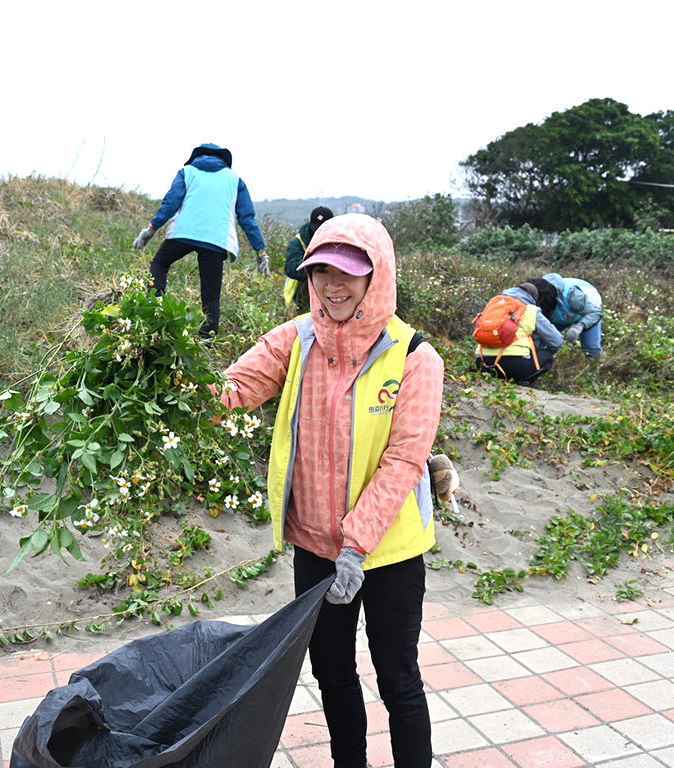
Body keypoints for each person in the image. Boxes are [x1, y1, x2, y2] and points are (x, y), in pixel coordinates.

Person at [218, 214, 443, 768]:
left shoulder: (414, 356)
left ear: (377, 277)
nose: (332, 287)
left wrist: (357, 544)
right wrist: (166, 376)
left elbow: (404, 461)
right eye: (320, 273)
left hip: (388, 550)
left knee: (397, 675)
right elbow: (235, 388)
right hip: (316, 548)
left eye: (348, 273)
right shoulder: (295, 340)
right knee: (333, 673)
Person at [132, 143, 268, 339]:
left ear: (196, 156)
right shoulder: (235, 180)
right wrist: (260, 251)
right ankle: (207, 340)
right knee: (211, 295)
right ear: (224, 160)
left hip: (183, 233)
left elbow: (171, 203)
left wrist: (151, 229)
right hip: (216, 241)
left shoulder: (187, 172)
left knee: (160, 264)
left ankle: (154, 310)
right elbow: (247, 218)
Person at [474, 278, 564, 385]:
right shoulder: (530, 309)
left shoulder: (494, 304)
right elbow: (557, 341)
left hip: (482, 363)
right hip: (513, 366)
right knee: (547, 356)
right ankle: (522, 380)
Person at [540, 273, 604, 358]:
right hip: (562, 314)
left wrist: (579, 326)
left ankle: (593, 366)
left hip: (589, 309)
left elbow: (595, 313)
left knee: (591, 349)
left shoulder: (574, 296)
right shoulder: (539, 296)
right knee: (543, 343)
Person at [284, 206, 334, 311]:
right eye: (316, 229)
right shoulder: (299, 241)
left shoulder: (342, 239)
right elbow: (290, 268)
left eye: (323, 230)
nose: (319, 233)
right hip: (306, 290)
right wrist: (313, 263)